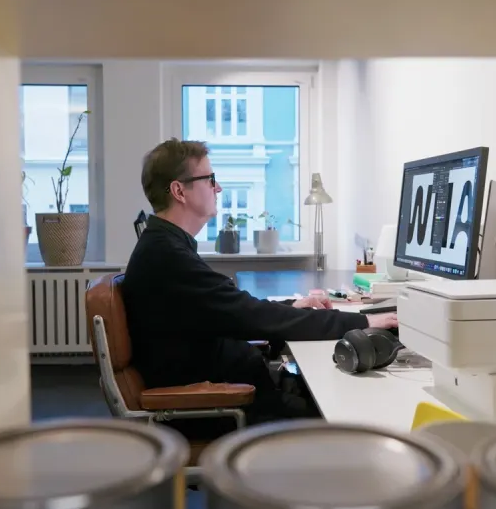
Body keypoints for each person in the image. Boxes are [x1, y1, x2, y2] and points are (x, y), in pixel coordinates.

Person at [122, 140, 398, 424]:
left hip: (233, 390)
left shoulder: (165, 246)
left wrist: (293, 306)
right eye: (210, 179)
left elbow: (235, 310)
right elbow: (251, 315)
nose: (218, 188)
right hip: (222, 406)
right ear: (179, 191)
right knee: (346, 414)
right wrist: (363, 322)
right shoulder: (168, 256)